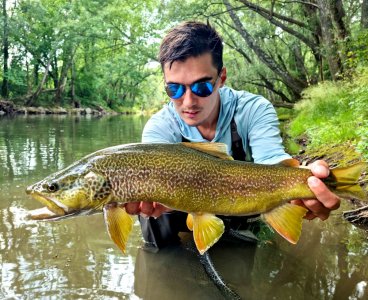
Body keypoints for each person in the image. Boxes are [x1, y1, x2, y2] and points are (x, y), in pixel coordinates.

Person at [125, 21, 341, 249]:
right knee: (152, 219)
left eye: (201, 87)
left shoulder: (253, 109)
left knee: (243, 254)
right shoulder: (160, 127)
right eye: (175, 89)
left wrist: (303, 181)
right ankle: (162, 264)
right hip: (179, 207)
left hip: (243, 201)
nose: (188, 102)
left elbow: (272, 162)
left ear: (222, 78)